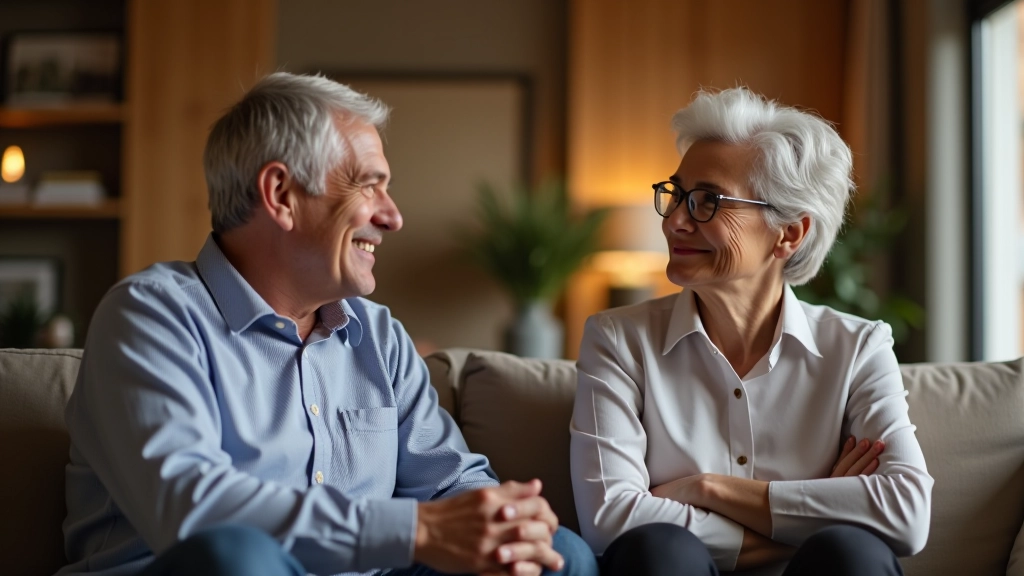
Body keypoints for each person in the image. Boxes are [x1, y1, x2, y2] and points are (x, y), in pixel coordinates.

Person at [59, 72, 598, 576]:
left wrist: (509, 522)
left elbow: (452, 484)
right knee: (237, 557)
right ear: (281, 196)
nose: (392, 216)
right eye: (369, 185)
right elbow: (193, 510)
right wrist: (414, 530)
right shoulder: (151, 316)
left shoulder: (380, 335)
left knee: (558, 555)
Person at [569, 87, 932, 576]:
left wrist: (707, 489)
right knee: (660, 550)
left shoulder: (858, 346)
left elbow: (906, 516)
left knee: (853, 555)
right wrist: (816, 505)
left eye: (707, 201)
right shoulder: (618, 340)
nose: (675, 220)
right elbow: (611, 521)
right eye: (676, 194)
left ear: (789, 233)